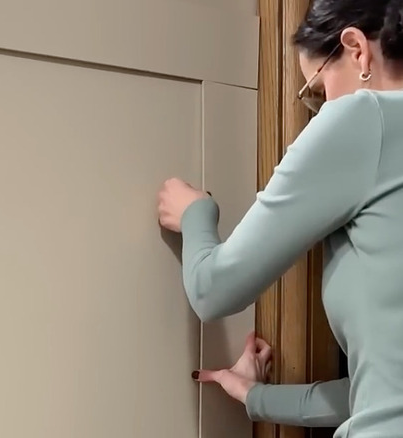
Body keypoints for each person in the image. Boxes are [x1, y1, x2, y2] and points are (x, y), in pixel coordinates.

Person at [157, 0, 403, 436]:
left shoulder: (365, 117)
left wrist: (197, 214)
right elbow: (383, 383)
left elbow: (213, 291)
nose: (320, 105)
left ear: (356, 49)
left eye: (316, 87)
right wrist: (258, 397)